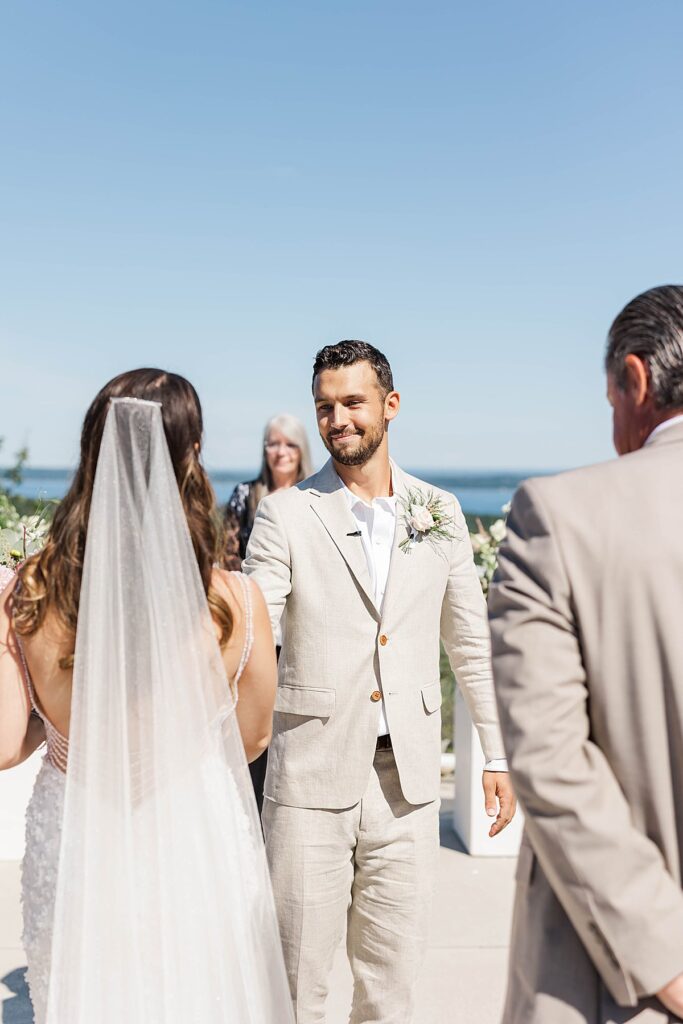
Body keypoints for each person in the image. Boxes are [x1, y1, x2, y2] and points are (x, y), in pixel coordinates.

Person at [0, 369, 294, 1024]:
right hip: (195, 836)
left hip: (76, 833)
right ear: (189, 458)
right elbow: (250, 739)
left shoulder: (27, 591)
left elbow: (3, 744)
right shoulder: (237, 602)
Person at [244, 340, 516, 1023]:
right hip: (309, 778)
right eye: (325, 407)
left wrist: (496, 752)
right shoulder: (285, 514)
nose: (338, 419)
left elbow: (469, 642)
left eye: (352, 403)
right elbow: (255, 628)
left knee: (391, 988)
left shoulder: (441, 512)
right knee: (297, 983)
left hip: (411, 784)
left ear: (389, 407)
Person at [489, 285, 683, 1024]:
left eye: (609, 402)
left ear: (633, 380)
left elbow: (548, 759)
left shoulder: (559, 515)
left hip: (620, 988)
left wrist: (663, 958)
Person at [224, 414, 313, 813]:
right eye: (273, 443)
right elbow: (226, 560)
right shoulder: (245, 495)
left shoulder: (317, 496)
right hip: (258, 631)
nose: (280, 451)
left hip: (306, 632)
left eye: (289, 444)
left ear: (301, 451)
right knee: (257, 730)